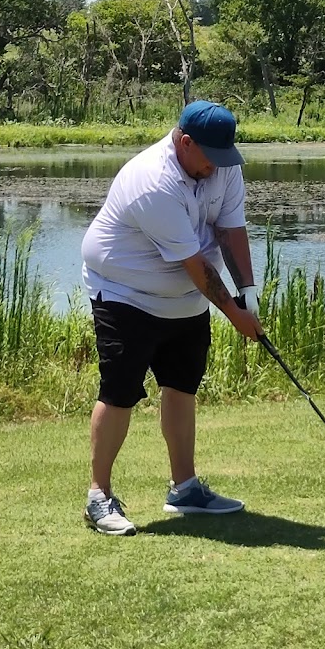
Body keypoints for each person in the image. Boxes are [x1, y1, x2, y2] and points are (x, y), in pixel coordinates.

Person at [80, 100, 263, 536]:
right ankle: (98, 497)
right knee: (120, 391)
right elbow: (195, 263)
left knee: (182, 386)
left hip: (186, 297)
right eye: (209, 159)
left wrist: (249, 295)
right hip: (126, 291)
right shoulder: (153, 182)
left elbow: (230, 229)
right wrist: (235, 316)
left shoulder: (222, 162)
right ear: (184, 142)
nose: (217, 168)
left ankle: (184, 489)